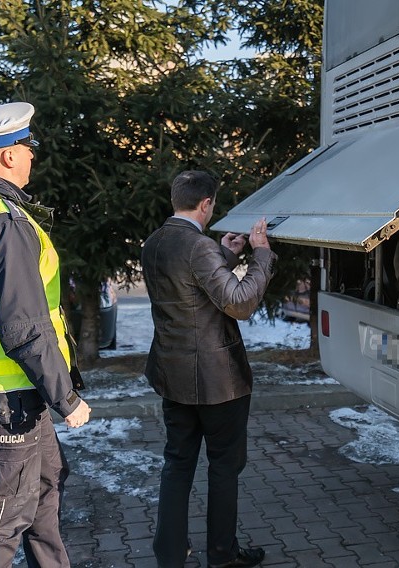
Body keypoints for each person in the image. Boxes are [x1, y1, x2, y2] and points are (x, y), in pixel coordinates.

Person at [0, 101, 92, 567]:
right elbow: (24, 326)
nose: (33, 156)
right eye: (29, 148)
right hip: (9, 394)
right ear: (8, 155)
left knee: (45, 492)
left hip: (15, 390)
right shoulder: (0, 223)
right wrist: (65, 397)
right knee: (4, 513)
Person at [142, 170, 277, 568]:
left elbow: (191, 287)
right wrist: (261, 254)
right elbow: (238, 302)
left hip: (172, 375)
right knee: (223, 467)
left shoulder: (155, 242)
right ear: (206, 204)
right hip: (218, 381)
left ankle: (169, 556)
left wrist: (228, 254)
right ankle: (221, 554)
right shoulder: (198, 247)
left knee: (177, 463)